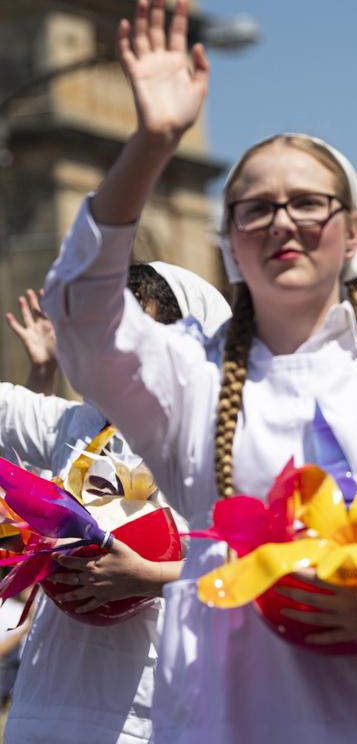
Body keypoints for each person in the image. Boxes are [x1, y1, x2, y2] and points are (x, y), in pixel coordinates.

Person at [41, 0, 357, 743]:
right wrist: (151, 143)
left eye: (308, 203)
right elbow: (83, 312)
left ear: (350, 235)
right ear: (231, 244)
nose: (283, 220)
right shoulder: (190, 382)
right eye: (256, 207)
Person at [0, 262, 228, 743]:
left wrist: (152, 576)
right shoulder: (77, 424)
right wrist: (45, 370)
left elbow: (251, 563)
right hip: (49, 696)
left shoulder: (216, 446)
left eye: (137, 339)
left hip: (152, 706)